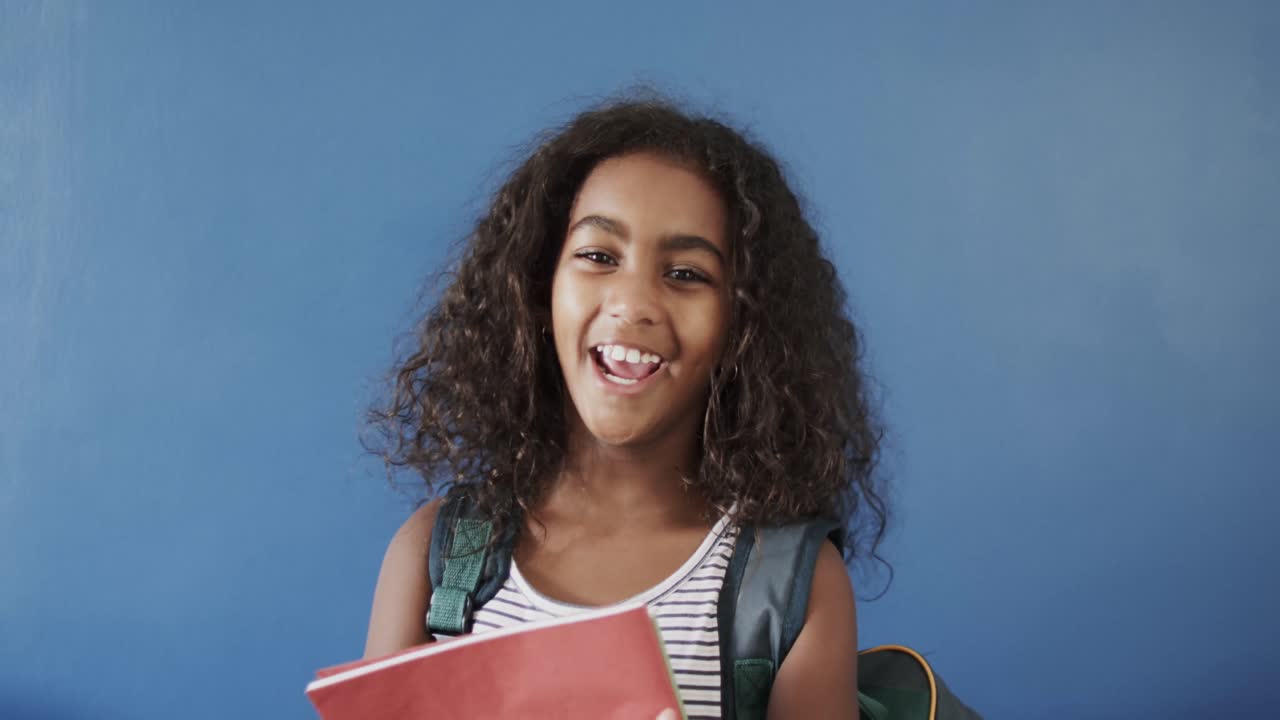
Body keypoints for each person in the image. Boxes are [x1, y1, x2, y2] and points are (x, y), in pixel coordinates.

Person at [361, 94, 888, 719]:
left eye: (687, 274)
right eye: (598, 257)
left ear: (743, 325)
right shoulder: (436, 557)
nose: (634, 302)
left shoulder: (789, 588)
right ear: (537, 288)